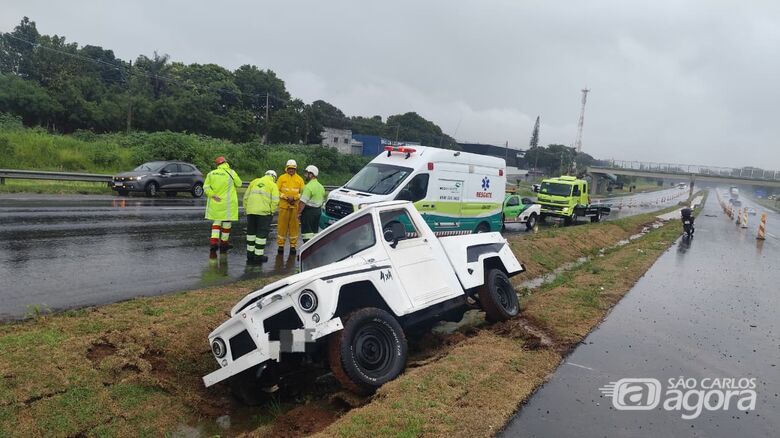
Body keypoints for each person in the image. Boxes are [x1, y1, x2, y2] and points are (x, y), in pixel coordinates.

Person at [203, 156, 242, 253]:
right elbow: (239, 184)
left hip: (216, 202)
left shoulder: (211, 173)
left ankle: (213, 243)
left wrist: (213, 195)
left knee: (216, 223)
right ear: (226, 162)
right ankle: (224, 244)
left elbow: (206, 187)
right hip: (228, 204)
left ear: (217, 164)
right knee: (227, 224)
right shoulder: (231, 172)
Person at [243, 170, 280, 263]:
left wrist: (246, 209)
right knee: (261, 235)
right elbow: (275, 201)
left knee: (251, 234)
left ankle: (250, 255)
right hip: (264, 213)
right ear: (274, 177)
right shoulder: (272, 184)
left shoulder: (254, 181)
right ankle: (258, 256)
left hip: (251, 212)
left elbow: (245, 197)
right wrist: (271, 211)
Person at [276, 159, 305, 255]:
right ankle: (281, 245)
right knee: (282, 226)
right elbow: (276, 191)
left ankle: (293, 246)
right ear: (286, 168)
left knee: (294, 227)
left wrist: (295, 197)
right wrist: (285, 197)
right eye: (289, 168)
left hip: (295, 207)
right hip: (284, 206)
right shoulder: (281, 178)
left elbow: (303, 193)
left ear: (295, 169)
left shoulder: (300, 179)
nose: (291, 170)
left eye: (293, 169)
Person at [298, 165, 326, 243]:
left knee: (306, 235)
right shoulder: (321, 187)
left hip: (308, 213)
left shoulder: (308, 187)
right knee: (314, 234)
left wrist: (298, 213)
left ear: (311, 174)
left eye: (306, 173)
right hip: (318, 212)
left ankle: (307, 252)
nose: (305, 175)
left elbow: (302, 202)